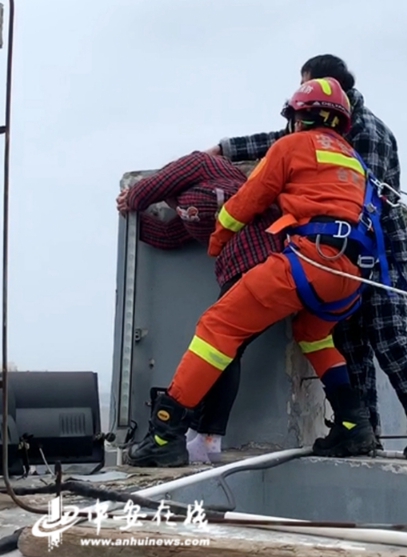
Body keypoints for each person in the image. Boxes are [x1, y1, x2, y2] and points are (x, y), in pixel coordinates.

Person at [125, 77, 382, 468]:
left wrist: (219, 237)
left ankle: (165, 434)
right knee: (311, 335)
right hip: (351, 275)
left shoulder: (291, 145)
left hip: (310, 261)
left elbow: (248, 198)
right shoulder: (355, 161)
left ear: (298, 118)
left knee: (218, 327)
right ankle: (354, 422)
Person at [207, 54, 407, 460]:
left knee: (388, 339)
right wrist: (224, 149)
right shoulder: (328, 125)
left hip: (376, 252)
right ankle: (361, 430)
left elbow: (358, 204)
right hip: (346, 255)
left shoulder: (367, 131)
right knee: (349, 342)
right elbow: (284, 141)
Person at [117, 151, 284, 466]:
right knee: (227, 351)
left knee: (218, 344)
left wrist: (134, 197)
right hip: (247, 267)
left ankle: (183, 435)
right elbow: (170, 236)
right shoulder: (188, 212)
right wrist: (133, 224)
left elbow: (174, 174)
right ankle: (205, 438)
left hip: (258, 259)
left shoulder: (208, 168)